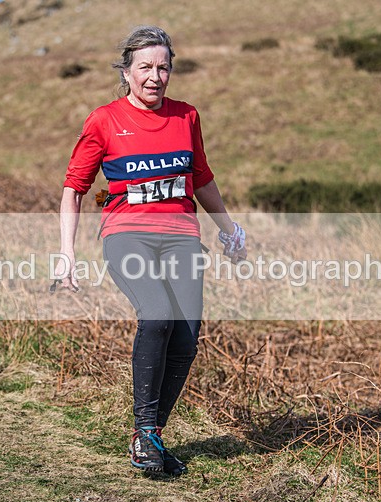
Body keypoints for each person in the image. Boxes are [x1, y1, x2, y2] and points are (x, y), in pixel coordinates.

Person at [55, 26, 246, 475]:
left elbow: (201, 179)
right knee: (157, 315)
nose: (155, 77)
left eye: (163, 67)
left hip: (181, 235)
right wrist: (67, 253)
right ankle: (146, 434)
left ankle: (149, 439)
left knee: (185, 338)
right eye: (145, 68)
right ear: (126, 73)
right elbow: (74, 189)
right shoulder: (103, 120)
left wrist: (228, 229)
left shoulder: (187, 117)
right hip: (127, 235)